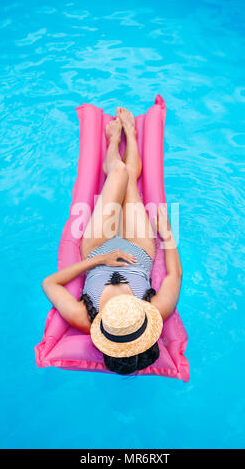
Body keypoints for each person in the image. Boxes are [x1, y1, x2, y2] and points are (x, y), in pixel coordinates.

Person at [42, 107, 182, 375]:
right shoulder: (155, 311)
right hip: (140, 249)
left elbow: (49, 282)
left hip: (98, 246)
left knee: (118, 171)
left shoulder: (85, 319)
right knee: (127, 180)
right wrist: (166, 234)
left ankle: (114, 142)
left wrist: (98, 260)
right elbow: (175, 274)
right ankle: (130, 131)